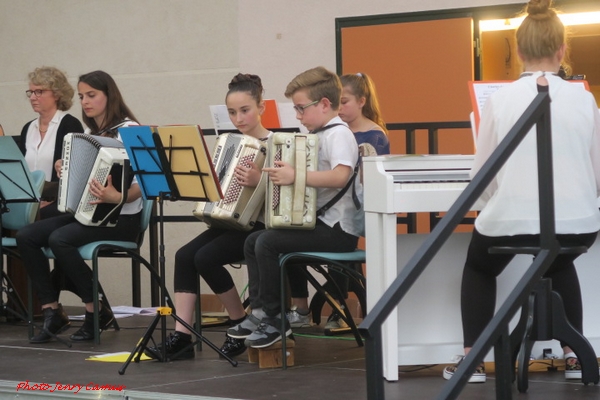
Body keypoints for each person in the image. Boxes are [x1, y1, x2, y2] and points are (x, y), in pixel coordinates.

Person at [443, 0, 600, 383]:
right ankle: (573, 355)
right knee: (557, 256)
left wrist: (491, 206)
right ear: (562, 49)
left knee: (479, 266)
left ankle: (473, 359)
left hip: (515, 217)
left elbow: (482, 175)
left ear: (517, 51)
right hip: (580, 223)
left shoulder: (501, 100)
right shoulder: (585, 98)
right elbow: (596, 170)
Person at [227, 66, 362, 348]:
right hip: (320, 224)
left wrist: (295, 176)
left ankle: (277, 320)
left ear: (324, 104)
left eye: (301, 109)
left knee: (266, 242)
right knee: (254, 240)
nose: (298, 117)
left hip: (338, 230)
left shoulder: (339, 134)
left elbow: (340, 176)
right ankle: (262, 312)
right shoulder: (321, 134)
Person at [145, 73, 271, 360]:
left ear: (261, 107)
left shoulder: (276, 143)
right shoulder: (229, 143)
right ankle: (182, 335)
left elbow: (281, 195)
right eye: (231, 112)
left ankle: (240, 323)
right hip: (230, 221)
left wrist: (259, 180)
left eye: (245, 110)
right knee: (184, 255)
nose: (238, 118)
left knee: (205, 257)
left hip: (260, 227)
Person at [16, 70, 142, 343]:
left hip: (121, 219)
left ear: (109, 96)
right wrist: (66, 168)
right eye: (82, 96)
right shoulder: (88, 133)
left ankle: (95, 310)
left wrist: (116, 197)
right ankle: (52, 311)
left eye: (92, 95)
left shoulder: (131, 131)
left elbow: (143, 186)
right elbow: (83, 179)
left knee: (60, 238)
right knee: (26, 235)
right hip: (90, 214)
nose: (85, 101)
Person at [286, 72, 390, 331]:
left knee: (338, 242)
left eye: (344, 102)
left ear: (362, 101)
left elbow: (364, 181)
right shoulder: (326, 131)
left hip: (356, 209)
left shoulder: (371, 136)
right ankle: (306, 306)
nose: (339, 107)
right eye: (337, 102)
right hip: (329, 207)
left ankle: (339, 307)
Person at [19, 66, 85, 219]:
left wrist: (50, 200)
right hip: (27, 203)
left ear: (56, 94)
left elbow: (74, 175)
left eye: (39, 91)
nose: (33, 97)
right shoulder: (28, 128)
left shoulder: (70, 125)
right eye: (31, 92)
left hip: (57, 203)